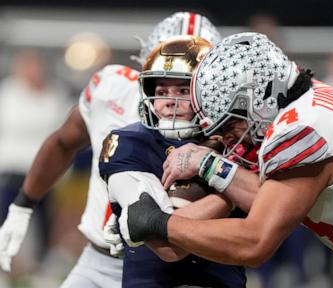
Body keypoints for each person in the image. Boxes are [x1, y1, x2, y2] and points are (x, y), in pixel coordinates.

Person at [123, 32, 333, 288]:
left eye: (231, 125)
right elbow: (272, 196)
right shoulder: (308, 98)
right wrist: (209, 164)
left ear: (261, 100)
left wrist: (158, 223)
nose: (226, 140)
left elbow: (254, 243)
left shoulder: (301, 133)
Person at [0, 12, 222, 288]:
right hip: (97, 259)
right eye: (164, 78)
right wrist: (23, 205)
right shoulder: (113, 89)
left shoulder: (227, 127)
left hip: (178, 270)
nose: (172, 97)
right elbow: (63, 141)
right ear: (145, 67)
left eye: (187, 81)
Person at [99, 35, 247, 288]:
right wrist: (229, 193)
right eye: (161, 92)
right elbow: (166, 245)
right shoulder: (129, 142)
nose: (170, 101)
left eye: (182, 90)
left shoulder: (237, 139)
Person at [0, 49, 72, 277]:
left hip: (43, 171)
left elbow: (63, 134)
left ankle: (39, 265)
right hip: (12, 169)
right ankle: (5, 261)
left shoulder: (55, 94)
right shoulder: (8, 93)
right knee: (6, 215)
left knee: (42, 220)